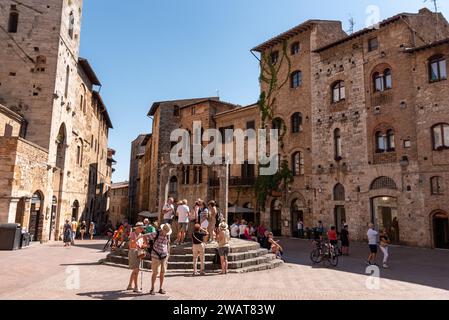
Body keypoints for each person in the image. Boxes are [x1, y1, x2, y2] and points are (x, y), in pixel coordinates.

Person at [139, 223, 172, 295]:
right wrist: (146, 243)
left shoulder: (168, 235)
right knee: (155, 272)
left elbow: (168, 244)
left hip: (164, 255)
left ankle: (161, 288)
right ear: (162, 230)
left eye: (167, 232)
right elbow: (145, 236)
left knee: (163, 272)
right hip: (155, 255)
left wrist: (168, 253)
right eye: (165, 232)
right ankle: (152, 288)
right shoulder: (156, 233)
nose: (166, 233)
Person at [126, 222, 145, 294]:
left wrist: (144, 246)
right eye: (140, 228)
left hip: (139, 252)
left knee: (135, 270)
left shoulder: (141, 235)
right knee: (136, 270)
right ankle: (136, 287)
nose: (142, 229)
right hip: (133, 252)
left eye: (142, 228)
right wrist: (138, 238)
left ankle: (130, 285)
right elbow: (132, 243)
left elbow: (141, 245)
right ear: (137, 228)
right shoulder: (133, 234)